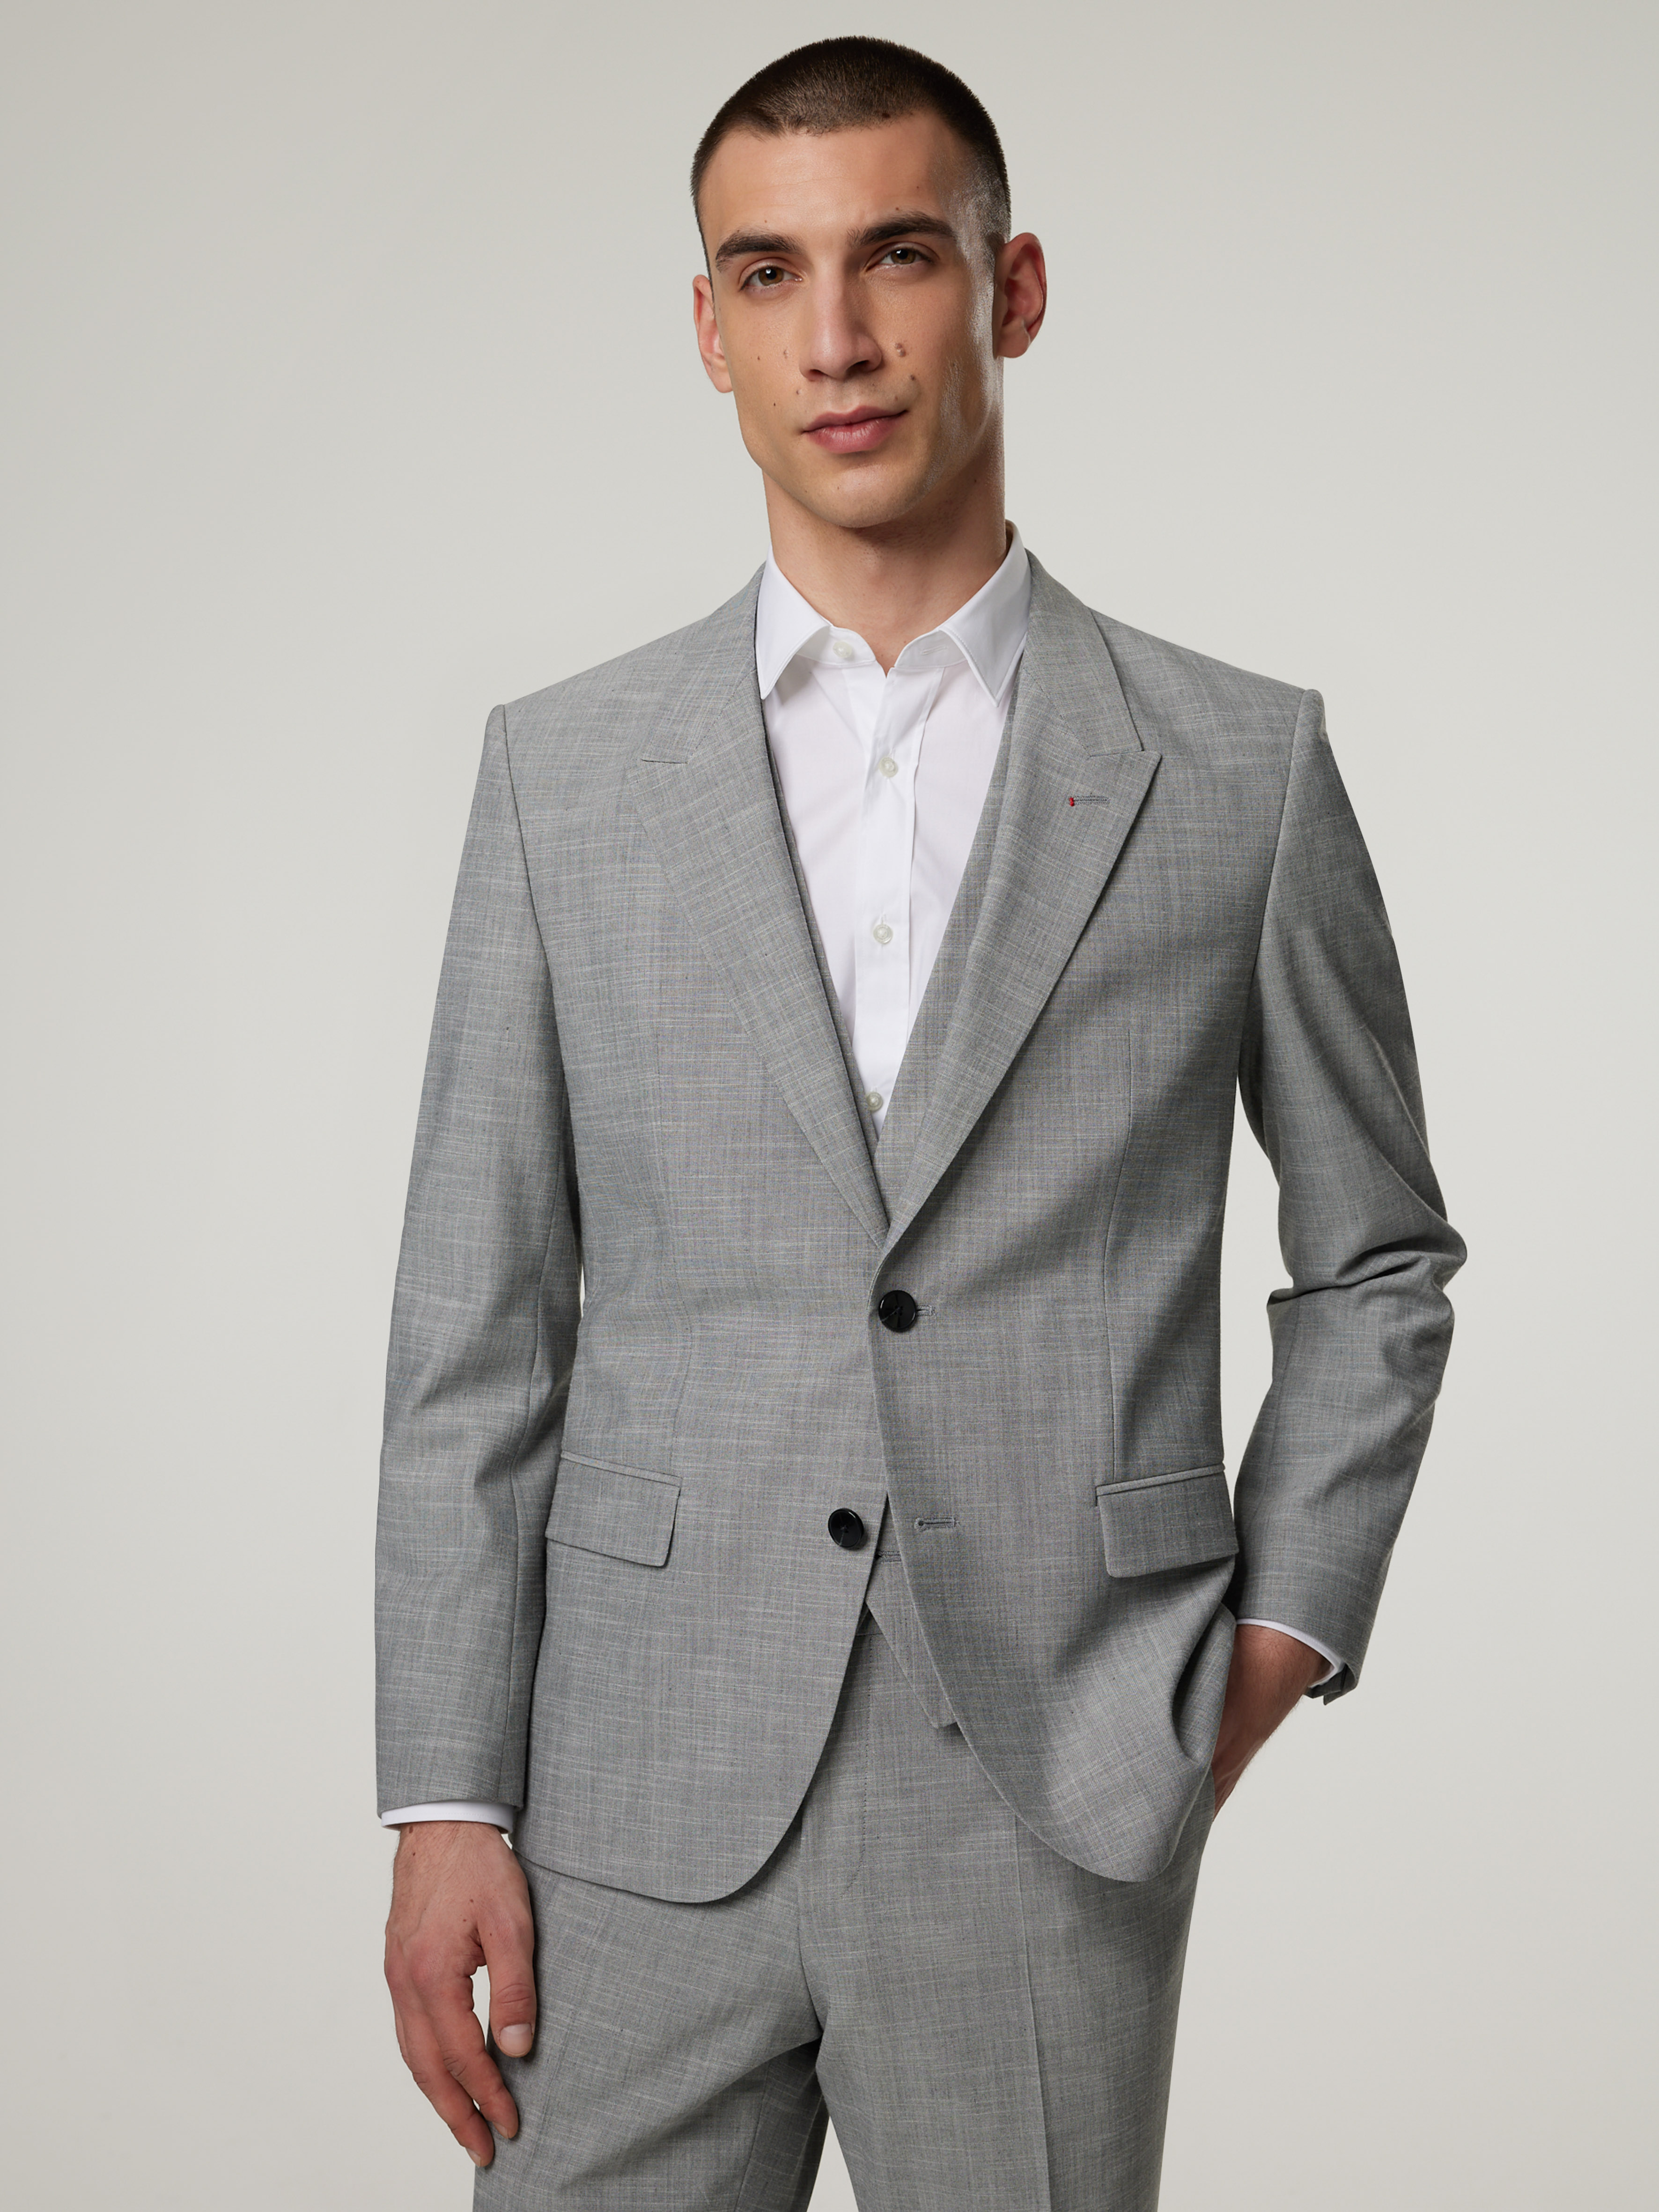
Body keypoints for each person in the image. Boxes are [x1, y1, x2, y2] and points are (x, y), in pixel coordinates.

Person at [376, 36, 1462, 2211]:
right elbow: (473, 1325)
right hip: (634, 1787)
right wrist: (441, 1796)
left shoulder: (1234, 770)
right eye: (765, 273)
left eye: (897, 256)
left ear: (1010, 288)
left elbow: (1377, 1261)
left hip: (1054, 1781)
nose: (837, 339)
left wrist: (1253, 1660)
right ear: (707, 328)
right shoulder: (562, 777)